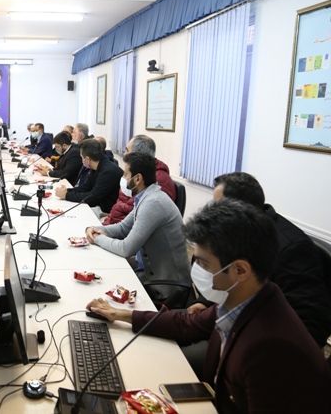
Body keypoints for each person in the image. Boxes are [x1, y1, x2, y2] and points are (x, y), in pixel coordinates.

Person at [86, 199, 331, 413]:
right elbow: (187, 324)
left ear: (240, 270)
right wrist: (120, 314)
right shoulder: (242, 299)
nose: (197, 270)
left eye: (203, 263)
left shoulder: (271, 348)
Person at [187, 172, 331, 347]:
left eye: (218, 208)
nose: (212, 214)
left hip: (266, 345)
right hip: (231, 322)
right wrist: (205, 301)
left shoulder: (292, 250)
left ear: (240, 209)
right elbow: (226, 277)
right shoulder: (236, 232)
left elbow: (312, 325)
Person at [84, 151, 190, 298]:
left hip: (164, 287)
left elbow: (126, 248)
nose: (123, 179)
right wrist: (94, 229)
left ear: (138, 178)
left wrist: (97, 238)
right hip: (147, 269)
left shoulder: (153, 203)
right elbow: (122, 228)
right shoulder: (146, 197)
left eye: (126, 174)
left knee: (101, 286)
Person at [103, 135, 176, 225]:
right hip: (117, 225)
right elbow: (118, 205)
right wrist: (105, 225)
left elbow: (144, 219)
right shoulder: (134, 171)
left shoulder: (158, 181)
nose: (124, 154)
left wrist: (107, 230)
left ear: (138, 154)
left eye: (127, 150)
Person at [55, 139, 122, 214]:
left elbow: (93, 197)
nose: (81, 160)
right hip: (99, 206)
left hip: (108, 211)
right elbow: (86, 187)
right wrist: (67, 191)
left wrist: (67, 195)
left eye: (82, 157)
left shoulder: (108, 172)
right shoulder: (97, 165)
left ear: (87, 159)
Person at [71, 123, 94, 187]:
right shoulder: (81, 145)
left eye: (73, 132)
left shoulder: (84, 148)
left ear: (79, 136)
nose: (71, 134)